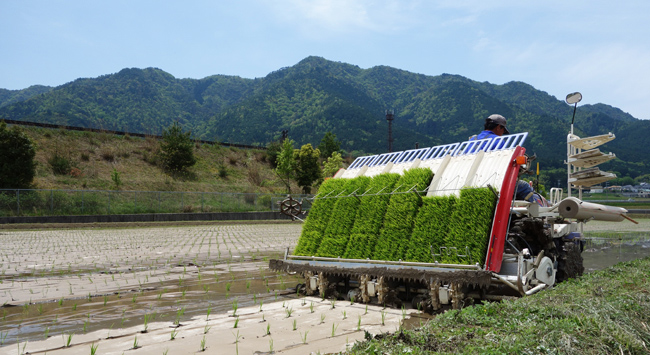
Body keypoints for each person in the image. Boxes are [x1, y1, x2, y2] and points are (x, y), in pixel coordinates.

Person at [471, 114, 537, 203]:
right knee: (524, 186)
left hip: (471, 180)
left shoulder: (472, 140)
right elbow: (504, 164)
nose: (502, 134)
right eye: (503, 130)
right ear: (498, 127)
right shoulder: (497, 141)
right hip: (492, 182)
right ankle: (541, 214)